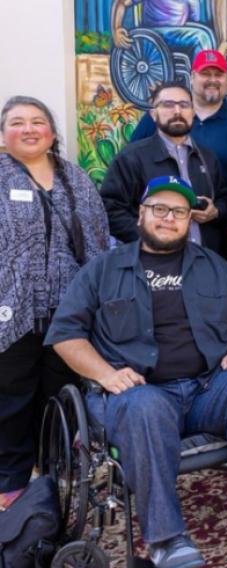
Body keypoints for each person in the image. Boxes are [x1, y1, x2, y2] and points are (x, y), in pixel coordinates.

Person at [44, 176, 227, 568]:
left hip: (205, 389)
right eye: (159, 209)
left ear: (188, 220)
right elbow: (65, 335)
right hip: (138, 393)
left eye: (178, 211)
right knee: (144, 405)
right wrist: (106, 375)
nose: (168, 218)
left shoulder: (211, 264)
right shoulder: (103, 269)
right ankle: (166, 540)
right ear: (141, 214)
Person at [0, 96, 109, 510]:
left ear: (52, 132)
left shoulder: (76, 178)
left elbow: (97, 241)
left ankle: (54, 476)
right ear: (3, 134)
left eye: (38, 121)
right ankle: (11, 481)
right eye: (17, 122)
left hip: (69, 311)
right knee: (11, 399)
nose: (28, 129)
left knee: (60, 395)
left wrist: (98, 302)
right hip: (11, 310)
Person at [100, 81, 227, 256]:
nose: (177, 111)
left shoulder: (207, 158)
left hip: (203, 260)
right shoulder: (131, 157)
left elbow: (225, 198)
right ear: (153, 114)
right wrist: (152, 237)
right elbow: (110, 209)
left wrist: (216, 211)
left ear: (193, 112)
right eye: (168, 105)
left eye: (184, 105)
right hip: (152, 263)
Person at [131, 50, 227, 179]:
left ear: (226, 79)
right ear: (192, 77)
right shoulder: (162, 116)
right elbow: (130, 160)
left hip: (218, 198)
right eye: (205, 74)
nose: (212, 80)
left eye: (219, 75)